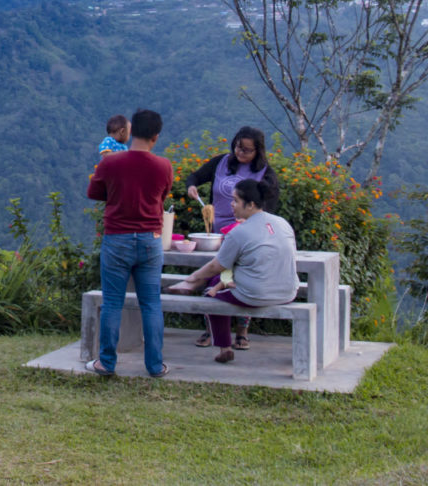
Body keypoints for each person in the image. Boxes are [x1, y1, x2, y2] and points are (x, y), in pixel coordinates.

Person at [166, 178, 299, 365]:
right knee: (221, 278)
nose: (232, 204)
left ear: (250, 205)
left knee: (211, 291)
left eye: (236, 200)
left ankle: (224, 347)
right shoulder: (282, 223)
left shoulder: (239, 232)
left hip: (256, 294)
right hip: (289, 291)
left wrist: (193, 277)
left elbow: (216, 266)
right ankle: (189, 285)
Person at [85, 108, 173, 378]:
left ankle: (106, 363)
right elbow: (163, 194)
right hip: (150, 240)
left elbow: (94, 192)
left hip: (117, 238)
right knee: (151, 304)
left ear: (130, 132)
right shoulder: (164, 166)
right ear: (156, 137)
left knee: (113, 302)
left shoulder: (110, 162)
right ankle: (155, 366)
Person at [184, 126, 279, 349]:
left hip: (247, 237)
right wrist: (191, 186)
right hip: (217, 234)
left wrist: (251, 221)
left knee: (239, 280)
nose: (240, 152)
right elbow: (195, 176)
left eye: (247, 150)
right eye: (238, 146)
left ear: (258, 151)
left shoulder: (265, 173)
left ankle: (242, 331)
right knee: (215, 277)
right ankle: (212, 330)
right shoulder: (222, 163)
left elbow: (270, 206)